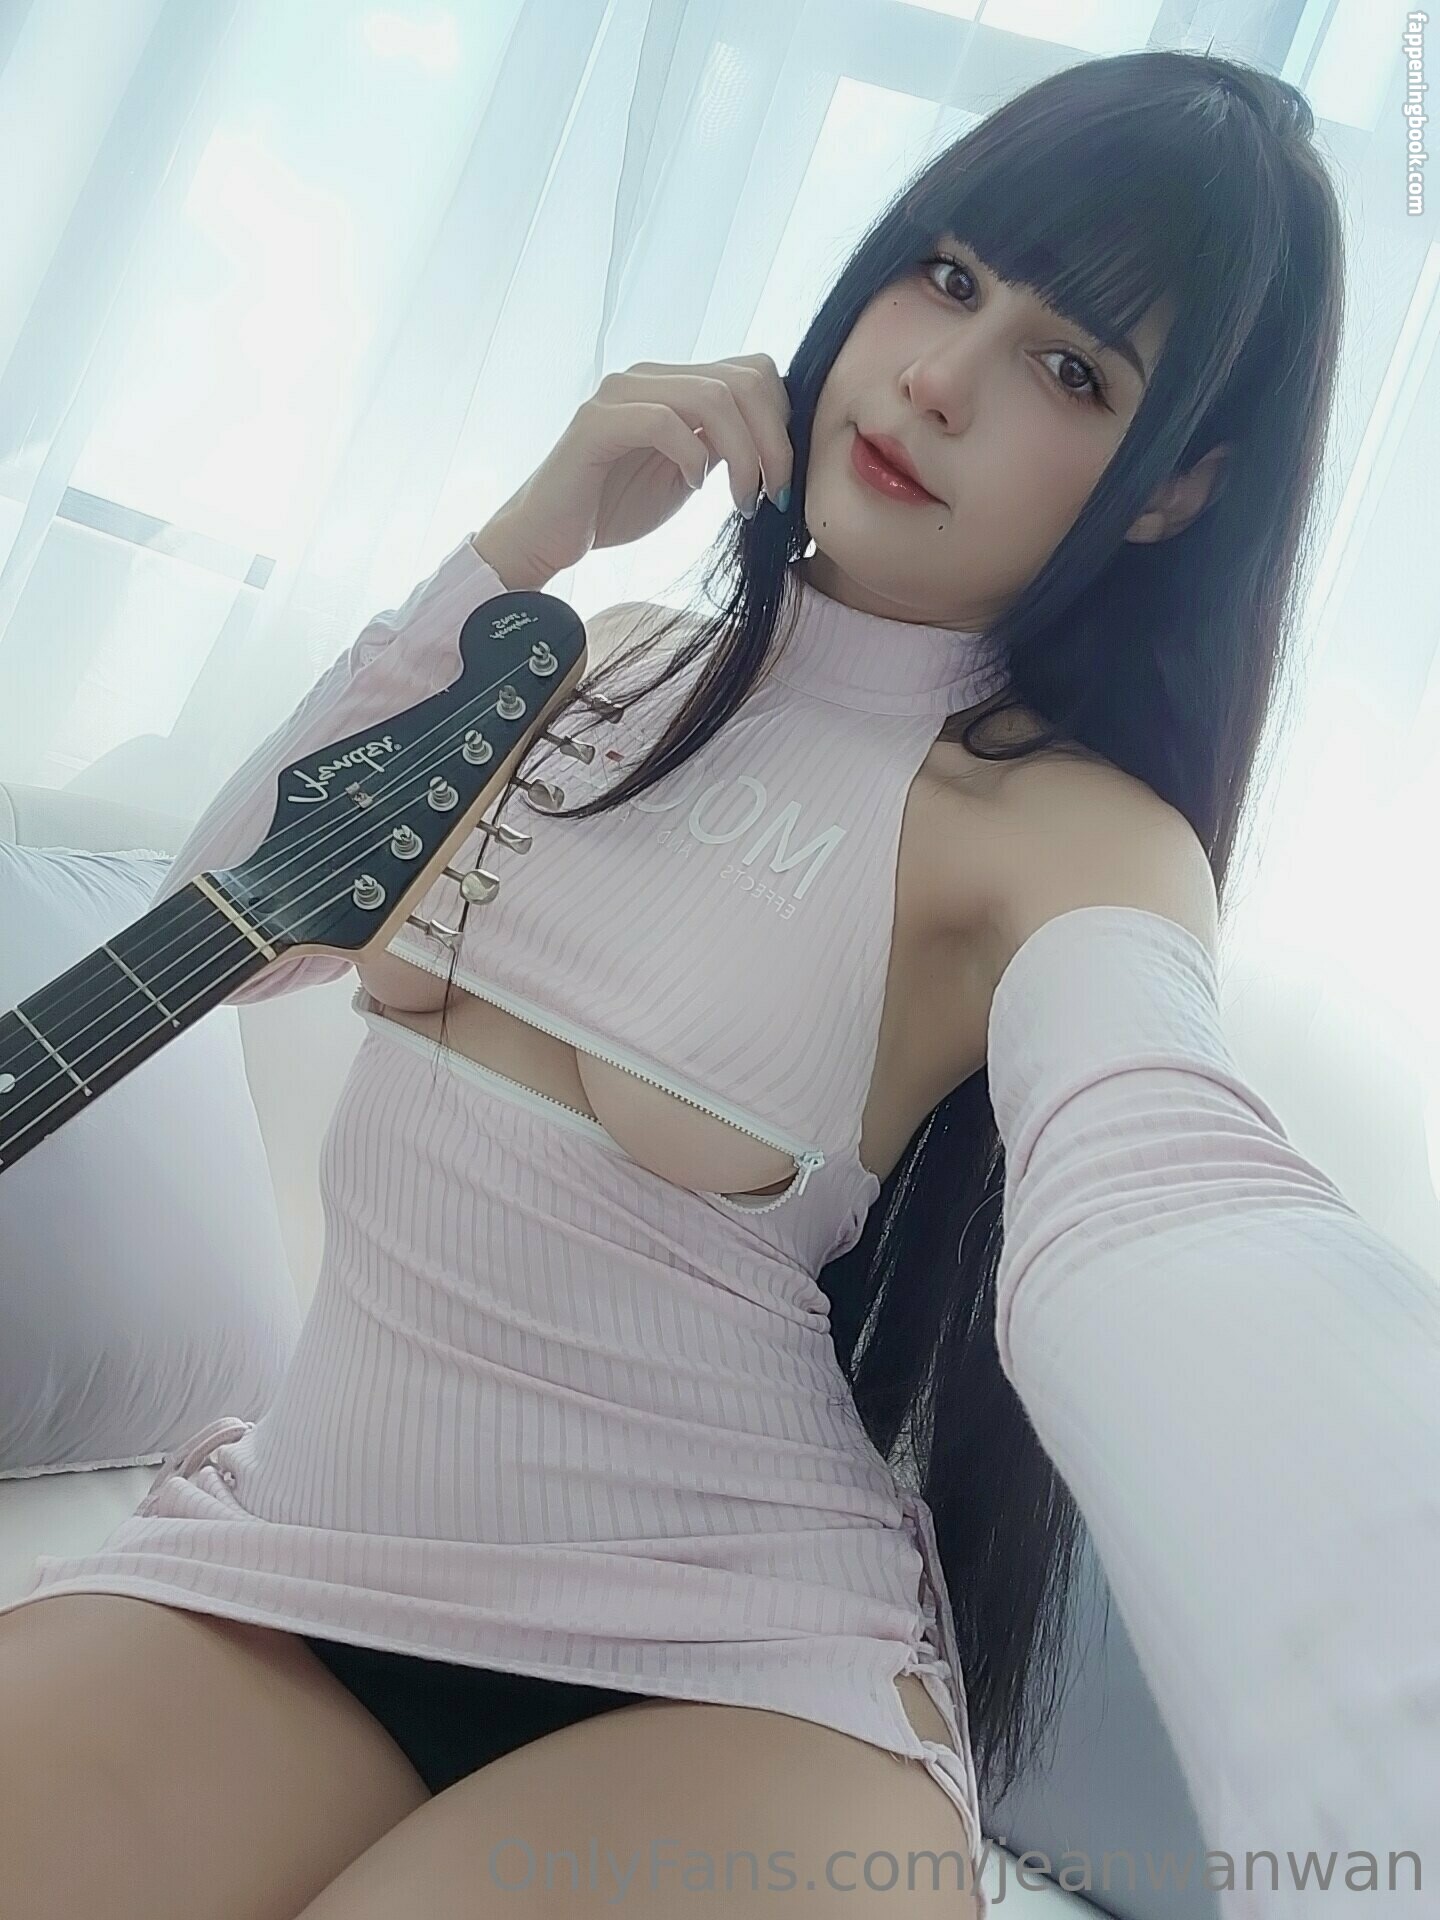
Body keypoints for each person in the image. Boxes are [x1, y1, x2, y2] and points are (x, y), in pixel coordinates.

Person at [2, 46, 1436, 1920]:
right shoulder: (593, 658)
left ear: (1174, 493)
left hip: (734, 1688)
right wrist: (526, 535)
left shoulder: (1061, 833)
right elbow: (223, 926)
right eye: (946, 275)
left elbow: (1164, 1179)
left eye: (1071, 369)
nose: (939, 377)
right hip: (309, 1559)